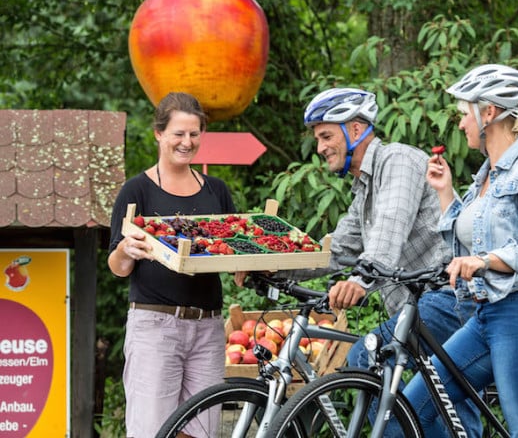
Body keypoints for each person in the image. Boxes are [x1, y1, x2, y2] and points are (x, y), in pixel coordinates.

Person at [237, 87, 482, 436]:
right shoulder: (364, 189)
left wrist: (358, 282)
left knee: (366, 359)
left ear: (355, 130)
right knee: (444, 407)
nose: (319, 148)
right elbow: (336, 251)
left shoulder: (397, 162)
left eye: (326, 136)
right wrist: (273, 266)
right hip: (418, 309)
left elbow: (388, 235)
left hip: (450, 299)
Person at [402, 64, 518, 437]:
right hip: (485, 317)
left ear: (488, 112)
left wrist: (485, 261)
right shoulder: (484, 178)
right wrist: (446, 193)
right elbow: (467, 240)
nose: (461, 125)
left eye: (464, 113)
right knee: (412, 408)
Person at [107, 92, 236, 437]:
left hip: (207, 329)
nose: (187, 142)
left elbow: (232, 253)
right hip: (155, 326)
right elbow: (117, 266)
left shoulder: (217, 191)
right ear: (159, 134)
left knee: (202, 431)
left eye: (194, 134)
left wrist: (255, 266)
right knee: (152, 430)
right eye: (178, 133)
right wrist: (126, 251)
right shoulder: (136, 191)